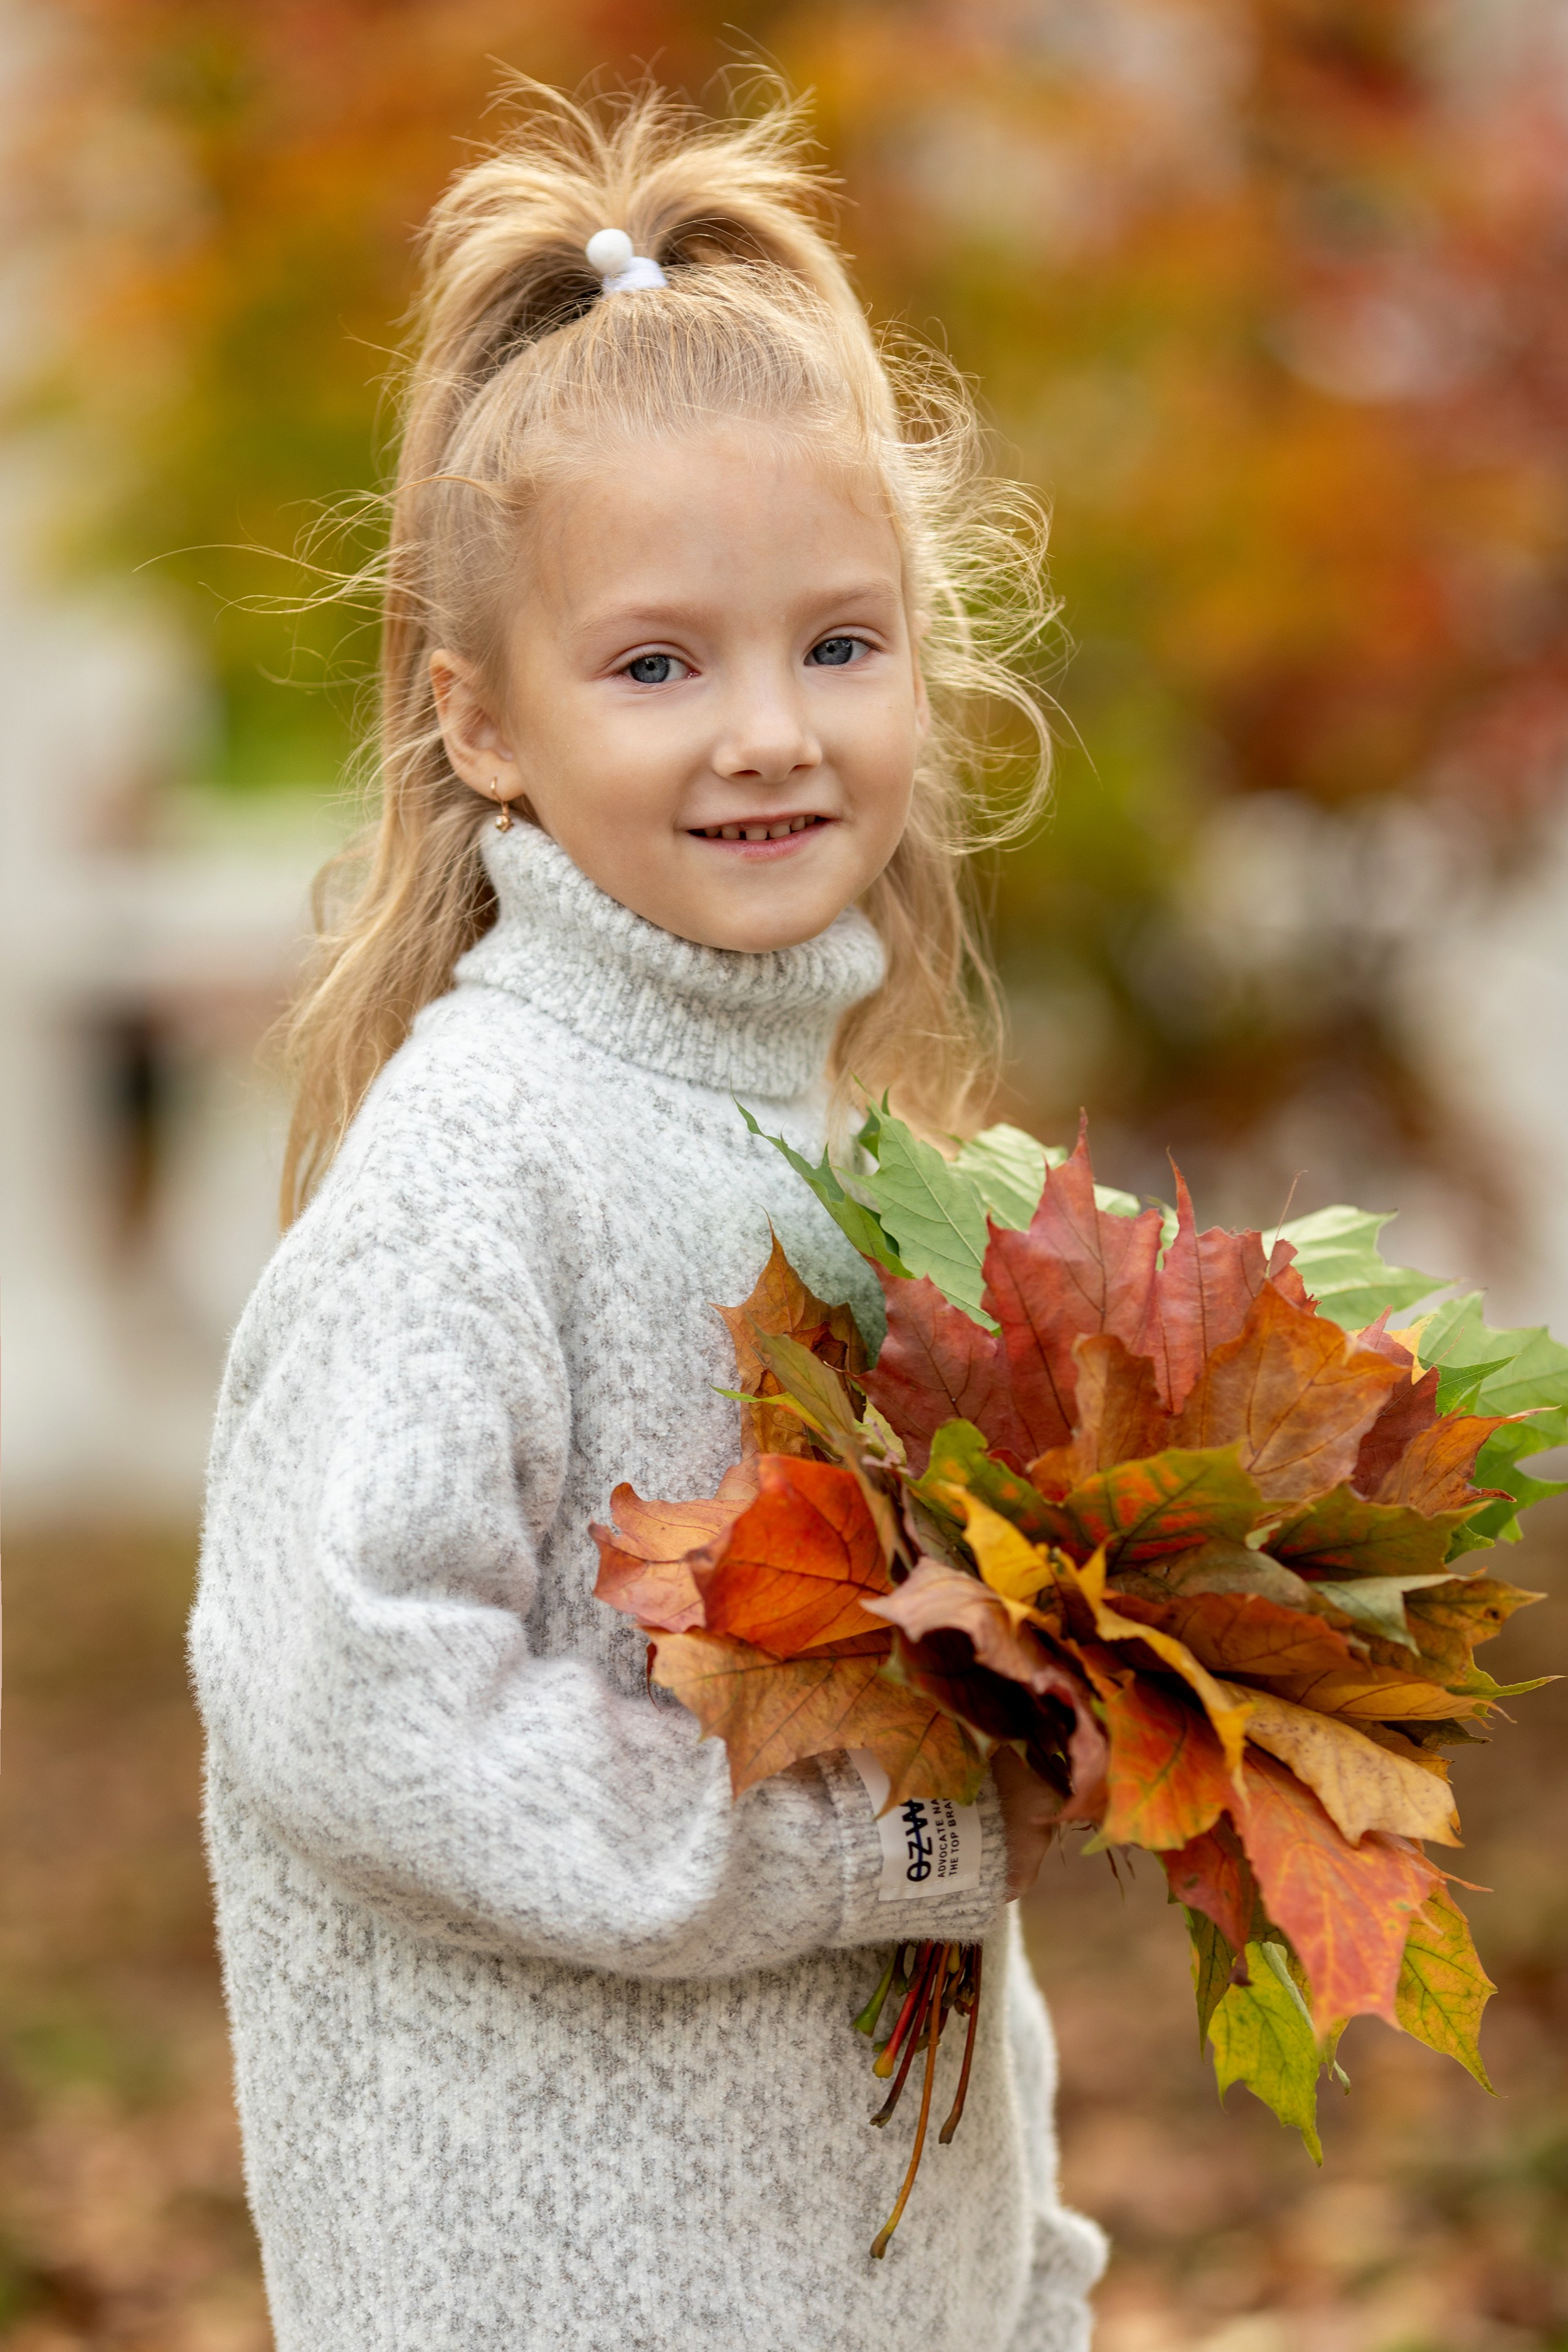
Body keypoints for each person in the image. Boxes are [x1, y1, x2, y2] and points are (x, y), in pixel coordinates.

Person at [191, 77, 1106, 2352]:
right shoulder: (477, 1165)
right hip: (553, 2290)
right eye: (655, 665)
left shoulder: (852, 1181)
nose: (767, 734)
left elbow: (936, 1797)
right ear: (478, 722)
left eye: (838, 643)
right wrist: (838, 1852)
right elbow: (350, 1692)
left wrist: (1026, 2280)